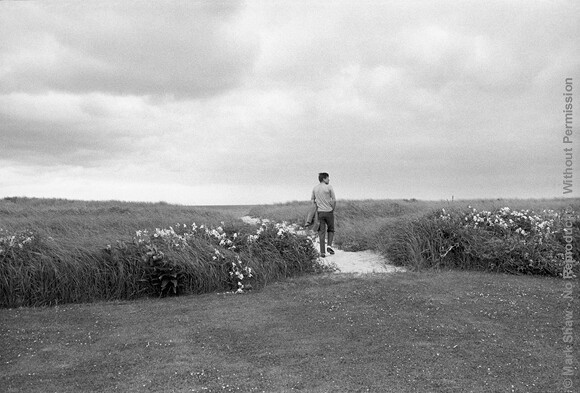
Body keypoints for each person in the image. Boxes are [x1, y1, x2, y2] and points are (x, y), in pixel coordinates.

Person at [311, 172, 336, 257]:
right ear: (324, 179)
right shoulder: (329, 187)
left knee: (321, 232)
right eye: (328, 178)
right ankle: (329, 246)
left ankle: (322, 252)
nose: (329, 179)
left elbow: (312, 201)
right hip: (329, 211)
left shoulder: (315, 188)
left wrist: (316, 208)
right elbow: (334, 200)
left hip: (320, 212)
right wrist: (333, 208)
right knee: (331, 230)